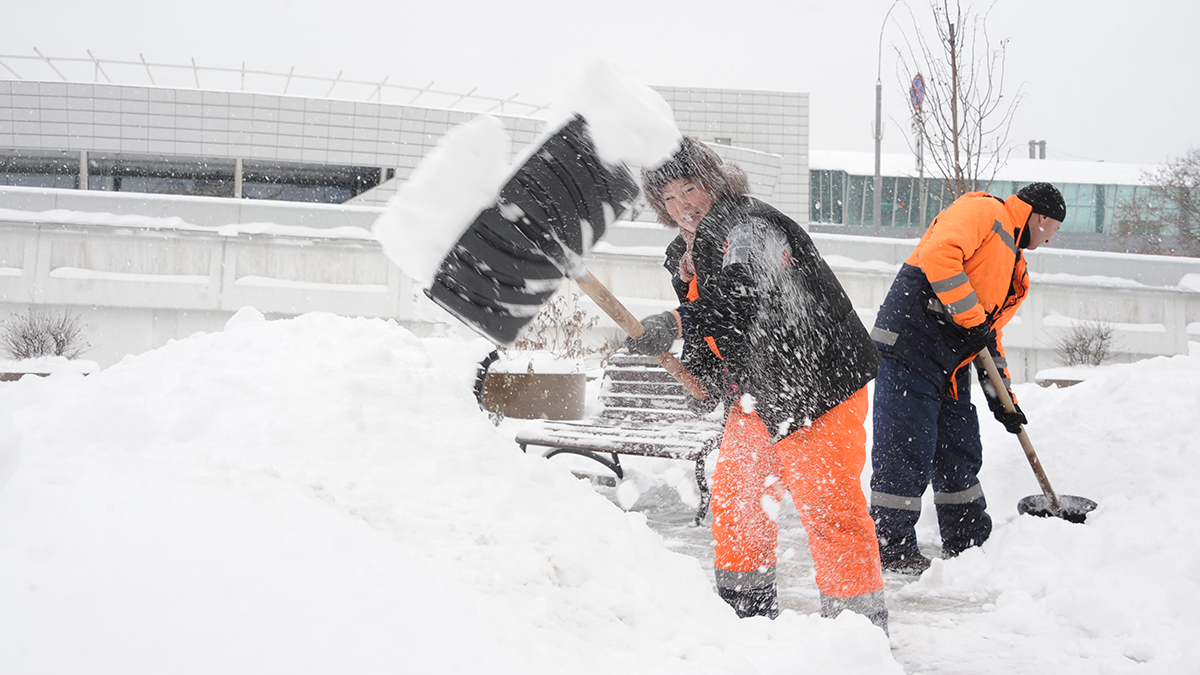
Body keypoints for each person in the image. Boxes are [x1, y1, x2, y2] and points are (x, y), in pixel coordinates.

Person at [626, 138, 889, 633]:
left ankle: (859, 635)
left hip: (817, 381)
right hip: (759, 392)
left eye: (691, 188)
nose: (683, 205)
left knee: (830, 510)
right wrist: (700, 377)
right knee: (738, 498)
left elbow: (746, 297)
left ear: (715, 182)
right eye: (670, 198)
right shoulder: (682, 253)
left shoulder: (747, 224)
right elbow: (713, 330)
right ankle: (743, 621)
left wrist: (676, 322)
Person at [868, 182, 1066, 574]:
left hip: (951, 360)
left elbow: (987, 336)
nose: (1050, 238)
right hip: (913, 343)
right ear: (1040, 216)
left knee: (960, 448)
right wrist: (972, 319)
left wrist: (1003, 399)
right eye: (1054, 229)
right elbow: (939, 254)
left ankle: (968, 542)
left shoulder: (1015, 267)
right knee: (906, 448)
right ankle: (891, 547)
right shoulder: (984, 213)